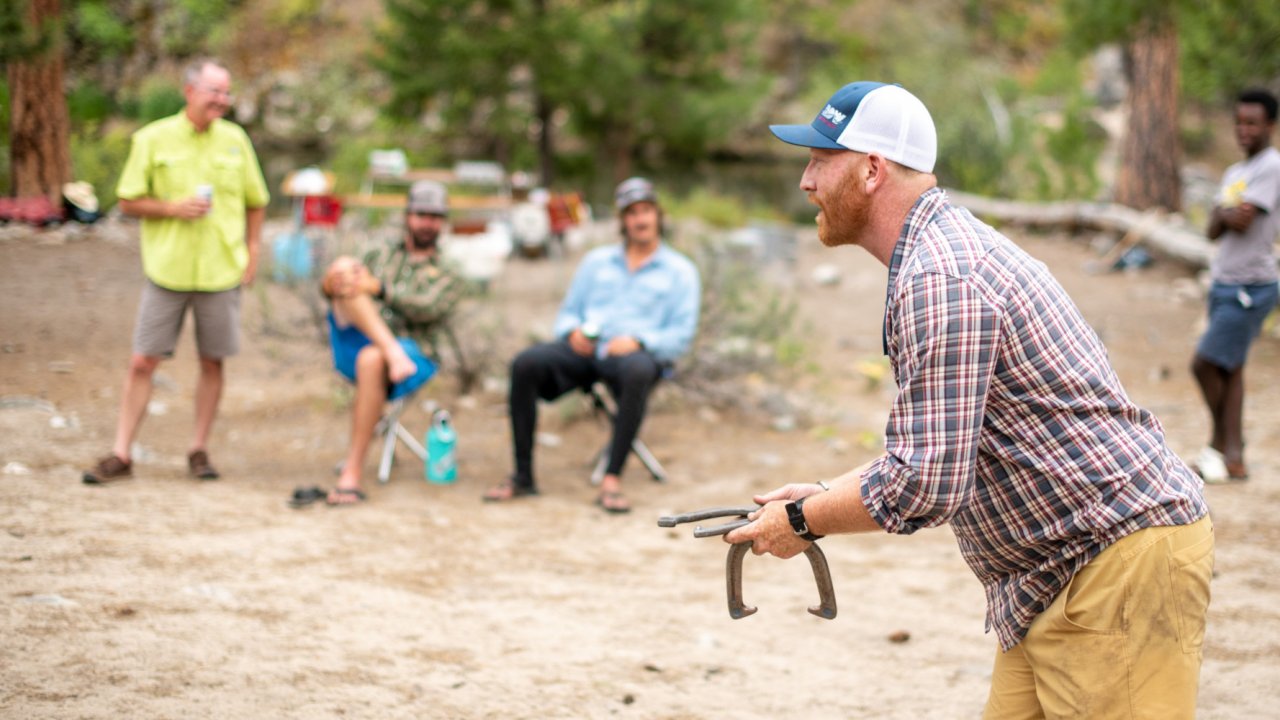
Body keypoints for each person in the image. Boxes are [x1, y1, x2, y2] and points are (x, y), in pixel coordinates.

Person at [725, 81, 1212, 718]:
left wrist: (801, 521)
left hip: (1114, 564)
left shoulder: (940, 277)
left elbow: (924, 484)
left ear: (871, 170)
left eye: (820, 160)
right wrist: (817, 494)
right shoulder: (933, 260)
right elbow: (942, 447)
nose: (805, 181)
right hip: (1055, 577)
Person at [83, 59, 269, 485]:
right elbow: (127, 201)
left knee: (213, 361)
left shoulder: (236, 141)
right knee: (142, 360)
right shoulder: (152, 139)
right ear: (189, 90)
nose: (221, 100)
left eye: (226, 92)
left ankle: (198, 450)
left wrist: (253, 250)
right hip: (167, 269)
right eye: (214, 91)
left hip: (221, 270)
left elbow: (257, 201)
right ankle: (121, 452)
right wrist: (171, 208)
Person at [484, 177, 701, 513]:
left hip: (634, 357)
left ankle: (612, 479)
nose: (640, 219)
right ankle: (522, 475)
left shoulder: (681, 271)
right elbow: (568, 314)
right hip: (588, 351)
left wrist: (639, 341)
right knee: (525, 363)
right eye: (631, 213)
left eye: (646, 211)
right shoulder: (596, 262)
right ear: (622, 220)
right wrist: (573, 333)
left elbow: (680, 337)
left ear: (658, 215)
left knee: (638, 369)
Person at [318, 180, 464, 505]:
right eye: (422, 214)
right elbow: (343, 288)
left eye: (435, 216)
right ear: (408, 215)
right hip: (362, 344)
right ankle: (390, 350)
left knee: (372, 358)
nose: (428, 222)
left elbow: (430, 307)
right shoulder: (377, 251)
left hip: (415, 356)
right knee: (344, 268)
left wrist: (380, 289)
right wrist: (330, 285)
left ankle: (352, 472)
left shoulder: (449, 268)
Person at [1189, 88, 1280, 483]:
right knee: (1231, 370)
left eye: (1252, 123)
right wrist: (1225, 214)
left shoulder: (1271, 167)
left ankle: (1223, 443)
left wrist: (1225, 213)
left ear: (1271, 126)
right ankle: (1233, 456)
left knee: (1204, 363)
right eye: (1239, 122)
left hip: (1250, 286)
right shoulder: (1234, 173)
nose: (1243, 130)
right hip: (1224, 282)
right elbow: (1212, 228)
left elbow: (1240, 220)